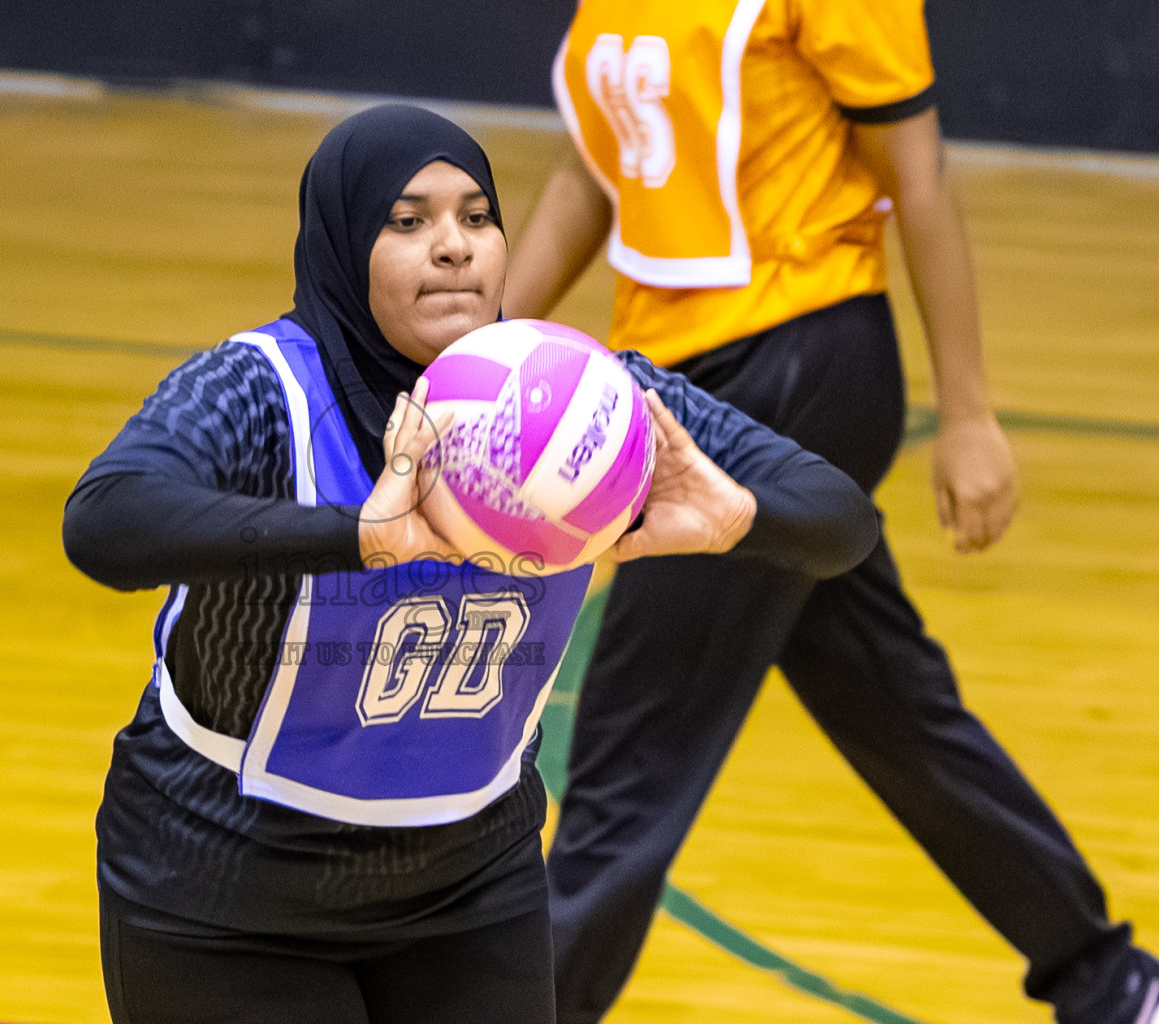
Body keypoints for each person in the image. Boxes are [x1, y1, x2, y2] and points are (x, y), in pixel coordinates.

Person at [62, 102, 879, 1024]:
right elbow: (105, 522)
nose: (454, 247)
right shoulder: (263, 390)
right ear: (341, 249)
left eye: (477, 216)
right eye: (407, 223)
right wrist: (356, 538)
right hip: (221, 891)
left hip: (468, 892)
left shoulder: (589, 407)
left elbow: (840, 520)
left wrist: (743, 516)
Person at [502, 3, 1159, 1024]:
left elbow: (920, 179)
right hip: (681, 382)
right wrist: (480, 349)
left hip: (797, 372)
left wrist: (970, 410)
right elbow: (592, 172)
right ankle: (1106, 979)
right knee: (893, 707)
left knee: (631, 763)